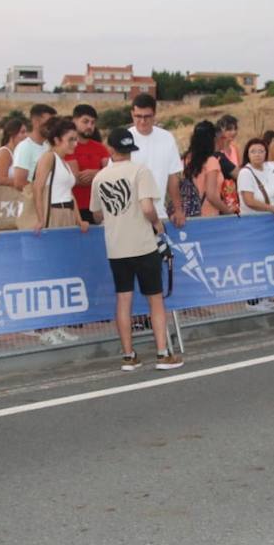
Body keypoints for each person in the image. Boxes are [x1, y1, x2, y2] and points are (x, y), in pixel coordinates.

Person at [90, 128, 183, 372]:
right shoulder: (140, 171)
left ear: (110, 149)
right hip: (142, 244)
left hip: (116, 246)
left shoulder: (100, 177)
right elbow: (147, 207)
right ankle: (162, 353)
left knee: (123, 298)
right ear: (131, 149)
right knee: (155, 299)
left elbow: (97, 214)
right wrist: (156, 223)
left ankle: (129, 356)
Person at [128, 94, 186, 228]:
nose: (142, 121)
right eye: (138, 116)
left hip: (159, 215)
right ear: (132, 114)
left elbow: (173, 177)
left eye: (147, 116)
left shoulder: (167, 138)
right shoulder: (125, 139)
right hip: (130, 217)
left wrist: (178, 209)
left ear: (154, 115)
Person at [32, 117, 90, 234]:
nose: (75, 144)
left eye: (75, 139)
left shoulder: (64, 162)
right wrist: (41, 219)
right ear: (57, 140)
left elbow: (69, 193)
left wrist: (79, 220)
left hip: (68, 214)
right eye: (70, 140)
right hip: (54, 213)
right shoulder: (48, 157)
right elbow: (38, 188)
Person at [68, 104, 110, 224]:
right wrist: (100, 175)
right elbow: (76, 179)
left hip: (96, 208)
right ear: (74, 121)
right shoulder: (67, 147)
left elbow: (111, 173)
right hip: (73, 208)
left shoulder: (100, 148)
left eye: (92, 122)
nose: (89, 126)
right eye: (85, 122)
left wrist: (96, 174)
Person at [236, 138, 274, 218]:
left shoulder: (267, 168)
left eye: (261, 151)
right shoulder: (245, 173)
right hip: (252, 221)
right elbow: (249, 201)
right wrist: (273, 209)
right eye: (253, 151)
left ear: (266, 154)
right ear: (248, 154)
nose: (257, 154)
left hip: (268, 219)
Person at [182, 120, 230, 217]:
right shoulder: (211, 161)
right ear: (212, 139)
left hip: (187, 214)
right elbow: (211, 196)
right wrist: (229, 212)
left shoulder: (184, 160)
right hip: (208, 217)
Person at [10, 103, 56, 190]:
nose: (52, 127)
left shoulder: (48, 146)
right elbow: (19, 183)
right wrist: (42, 192)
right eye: (48, 123)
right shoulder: (25, 147)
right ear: (36, 122)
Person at [0, 117, 27, 188]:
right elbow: (1, 179)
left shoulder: (20, 153)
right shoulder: (4, 153)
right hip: (7, 197)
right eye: (22, 132)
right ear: (12, 134)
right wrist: (24, 183)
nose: (26, 135)